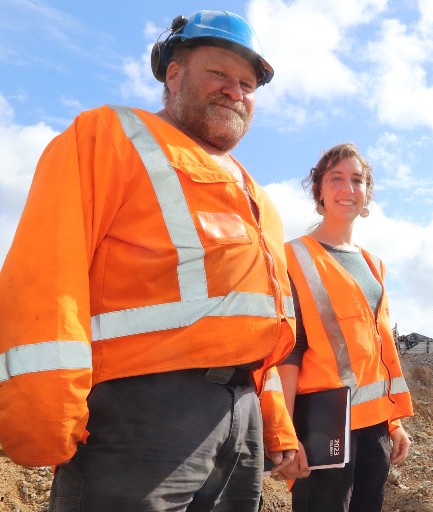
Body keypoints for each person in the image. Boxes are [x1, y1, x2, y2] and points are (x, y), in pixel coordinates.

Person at [0, 10, 298, 511]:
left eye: (247, 83)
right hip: (140, 409)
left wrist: (274, 423)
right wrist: (42, 414)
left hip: (239, 418)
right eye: (219, 73)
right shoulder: (109, 136)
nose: (235, 91)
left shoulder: (255, 194)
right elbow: (47, 271)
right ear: (174, 73)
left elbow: (254, 327)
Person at [278, 143, 414, 512]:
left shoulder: (373, 264)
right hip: (321, 425)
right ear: (318, 190)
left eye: (357, 180)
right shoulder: (293, 257)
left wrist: (392, 422)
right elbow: (290, 348)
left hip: (373, 429)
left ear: (367, 193)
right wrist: (286, 432)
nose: (347, 188)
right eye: (335, 178)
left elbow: (377, 352)